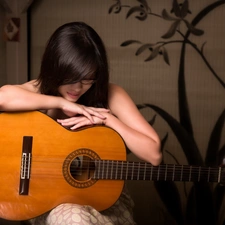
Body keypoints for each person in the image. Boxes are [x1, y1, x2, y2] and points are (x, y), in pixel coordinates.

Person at [0, 21, 162, 225]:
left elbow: (154, 154)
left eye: (87, 79)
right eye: (71, 77)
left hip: (103, 203)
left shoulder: (111, 94)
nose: (77, 87)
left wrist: (107, 119)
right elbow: (2, 98)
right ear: (55, 68)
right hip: (48, 201)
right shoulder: (39, 90)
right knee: (72, 217)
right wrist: (60, 102)